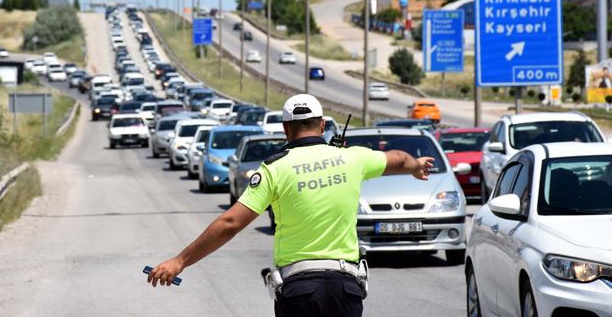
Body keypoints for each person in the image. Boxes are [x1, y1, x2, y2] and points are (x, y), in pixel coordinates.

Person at [147, 94, 433, 317]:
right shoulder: (353, 158)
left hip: (300, 290)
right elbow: (397, 157)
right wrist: (416, 166)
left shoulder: (274, 169)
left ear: (286, 129)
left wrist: (180, 261)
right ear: (322, 125)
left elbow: (230, 223)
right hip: (346, 288)